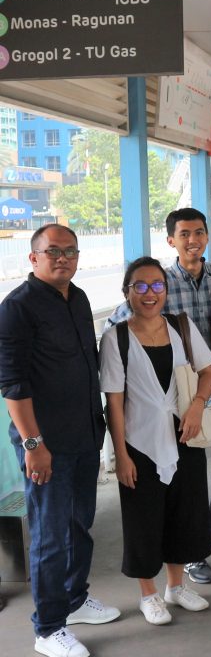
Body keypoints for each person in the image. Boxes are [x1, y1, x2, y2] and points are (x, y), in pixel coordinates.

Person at [108, 208, 211, 586]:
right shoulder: (158, 282)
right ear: (171, 239)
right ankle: (190, 557)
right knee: (184, 482)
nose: (194, 239)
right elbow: (126, 320)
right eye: (185, 233)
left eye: (200, 232)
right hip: (174, 404)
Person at [0, 225, 120, 657]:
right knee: (50, 536)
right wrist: (34, 445)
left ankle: (74, 600)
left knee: (78, 526)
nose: (64, 258)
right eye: (54, 251)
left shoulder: (79, 297)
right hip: (45, 444)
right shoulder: (16, 308)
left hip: (86, 435)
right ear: (34, 258)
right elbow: (12, 385)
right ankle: (48, 629)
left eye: (71, 251)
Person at [101, 257, 211, 625]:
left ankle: (175, 586)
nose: (150, 293)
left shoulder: (181, 327)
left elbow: (208, 373)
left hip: (185, 435)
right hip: (139, 442)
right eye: (141, 286)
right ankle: (148, 594)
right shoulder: (115, 338)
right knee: (143, 519)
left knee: (184, 513)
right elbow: (114, 403)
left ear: (165, 291)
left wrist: (198, 405)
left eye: (157, 286)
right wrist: (121, 455)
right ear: (127, 292)